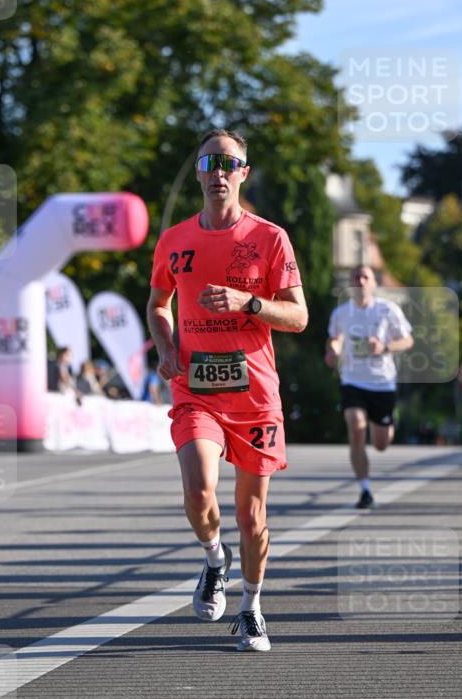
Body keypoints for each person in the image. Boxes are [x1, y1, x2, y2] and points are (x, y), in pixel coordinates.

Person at [147, 128, 307, 652]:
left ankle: (251, 607)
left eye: (228, 162)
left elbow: (299, 316)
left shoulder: (269, 238)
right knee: (198, 491)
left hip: (255, 394)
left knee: (253, 516)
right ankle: (215, 559)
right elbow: (157, 305)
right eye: (208, 162)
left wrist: (248, 302)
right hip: (196, 390)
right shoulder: (173, 240)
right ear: (198, 173)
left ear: (243, 172)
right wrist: (165, 345)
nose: (218, 171)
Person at [325, 265, 414, 508]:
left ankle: (387, 424)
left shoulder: (387, 310)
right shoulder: (342, 313)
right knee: (355, 425)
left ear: (374, 283)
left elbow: (407, 340)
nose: (361, 281)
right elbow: (335, 338)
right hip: (353, 381)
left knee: (381, 443)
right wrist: (332, 351)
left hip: (382, 383)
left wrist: (385, 347)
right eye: (356, 277)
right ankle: (365, 489)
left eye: (366, 277)